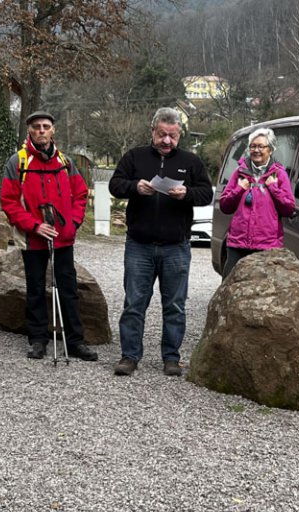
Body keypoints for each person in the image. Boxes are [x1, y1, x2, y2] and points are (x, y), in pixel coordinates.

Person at [108, 107, 213, 377]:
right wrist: (135, 188)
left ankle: (171, 358)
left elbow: (206, 194)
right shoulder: (135, 156)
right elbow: (115, 184)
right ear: (153, 131)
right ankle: (129, 356)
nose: (167, 141)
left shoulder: (191, 161)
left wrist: (187, 193)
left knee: (175, 305)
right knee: (134, 303)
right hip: (139, 244)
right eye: (162, 135)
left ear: (179, 135)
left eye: (172, 136)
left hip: (175, 246)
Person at [0, 110, 98, 361]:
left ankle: (75, 341)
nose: (41, 130)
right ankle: (38, 339)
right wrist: (34, 225)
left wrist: (74, 223)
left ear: (53, 130)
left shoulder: (65, 162)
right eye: (36, 126)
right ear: (29, 131)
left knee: (69, 288)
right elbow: (9, 202)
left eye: (45, 126)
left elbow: (80, 194)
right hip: (33, 238)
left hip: (63, 237)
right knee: (34, 288)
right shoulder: (18, 162)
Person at [218, 127, 295, 277]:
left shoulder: (279, 174)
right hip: (238, 244)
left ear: (270, 150)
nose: (256, 150)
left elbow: (289, 208)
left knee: (264, 293)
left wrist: (273, 187)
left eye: (261, 146)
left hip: (267, 246)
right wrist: (239, 189)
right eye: (253, 146)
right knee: (232, 289)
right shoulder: (239, 172)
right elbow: (224, 206)